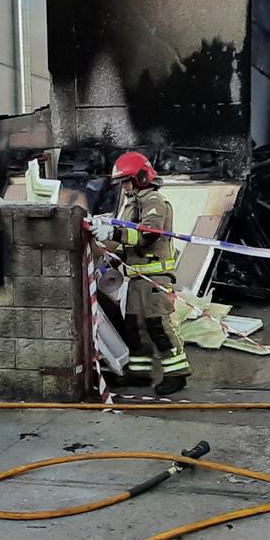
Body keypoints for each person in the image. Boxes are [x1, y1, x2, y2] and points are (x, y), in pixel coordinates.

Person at [104, 150, 190, 395]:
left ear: (140, 178)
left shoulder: (153, 201)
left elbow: (150, 234)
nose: (125, 188)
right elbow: (128, 242)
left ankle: (177, 374)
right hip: (136, 279)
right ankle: (140, 373)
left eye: (127, 182)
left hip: (155, 279)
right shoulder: (132, 204)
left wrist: (114, 234)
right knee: (134, 326)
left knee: (157, 326)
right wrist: (109, 251)